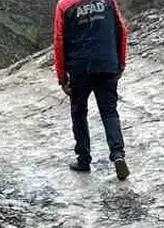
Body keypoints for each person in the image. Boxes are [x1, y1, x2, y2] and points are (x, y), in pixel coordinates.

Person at [53, 0, 130, 181]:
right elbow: (121, 30)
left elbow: (59, 41)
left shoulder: (64, 5)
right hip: (107, 63)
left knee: (79, 112)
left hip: (79, 67)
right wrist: (120, 63)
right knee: (109, 111)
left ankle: (83, 159)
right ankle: (118, 154)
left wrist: (62, 77)